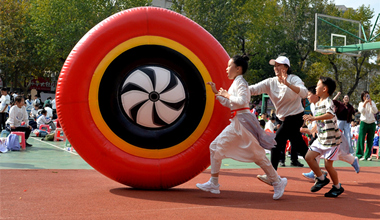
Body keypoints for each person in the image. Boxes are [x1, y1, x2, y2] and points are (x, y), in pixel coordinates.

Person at [195, 55, 287, 200]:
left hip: (243, 122)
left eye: (229, 66)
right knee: (216, 147)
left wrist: (226, 95)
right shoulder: (236, 83)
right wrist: (217, 93)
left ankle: (277, 181)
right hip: (238, 121)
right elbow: (230, 103)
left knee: (257, 155)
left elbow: (243, 101)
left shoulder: (241, 83)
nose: (226, 69)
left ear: (238, 69)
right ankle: (213, 183)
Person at [249, 55, 308, 181]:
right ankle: (319, 173)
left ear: (286, 67)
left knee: (276, 143)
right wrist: (236, 91)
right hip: (284, 119)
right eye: (274, 65)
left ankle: (272, 176)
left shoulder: (294, 79)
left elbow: (304, 93)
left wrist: (288, 84)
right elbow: (253, 89)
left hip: (296, 116)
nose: (275, 67)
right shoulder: (271, 82)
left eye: (278, 65)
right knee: (300, 145)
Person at [301, 86, 360, 180]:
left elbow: (327, 116)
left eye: (309, 94)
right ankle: (316, 172)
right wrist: (312, 130)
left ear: (316, 95)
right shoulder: (313, 105)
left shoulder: (326, 103)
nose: (307, 97)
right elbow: (318, 120)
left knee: (334, 155)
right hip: (323, 134)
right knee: (319, 152)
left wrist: (314, 124)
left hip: (332, 134)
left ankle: (330, 180)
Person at [303, 76, 344, 197]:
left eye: (317, 85)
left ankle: (337, 187)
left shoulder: (328, 102)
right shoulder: (317, 103)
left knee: (328, 165)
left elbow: (330, 114)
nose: (316, 87)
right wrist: (312, 127)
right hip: (321, 138)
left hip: (332, 140)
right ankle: (321, 178)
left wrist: (314, 118)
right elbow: (319, 121)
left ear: (325, 89)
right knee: (308, 157)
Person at [356, 91, 378, 161]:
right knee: (361, 139)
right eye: (365, 96)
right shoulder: (361, 103)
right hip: (364, 122)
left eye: (368, 95)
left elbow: (375, 111)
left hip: (372, 122)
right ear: (363, 97)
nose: (367, 97)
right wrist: (365, 103)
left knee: (370, 139)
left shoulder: (372, 103)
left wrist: (371, 103)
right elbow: (361, 111)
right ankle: (359, 155)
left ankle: (367, 155)